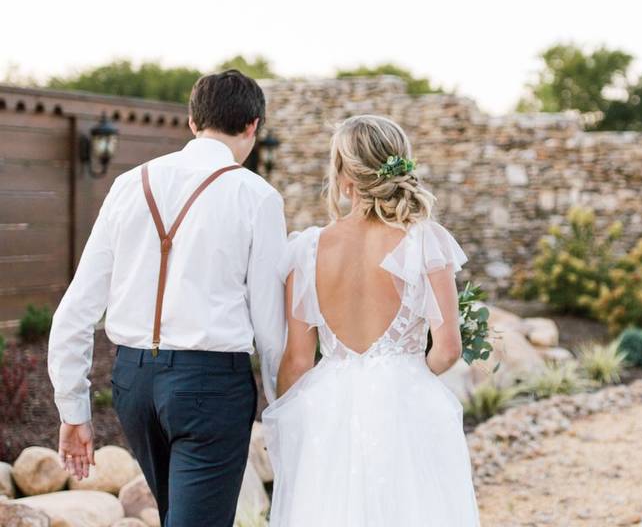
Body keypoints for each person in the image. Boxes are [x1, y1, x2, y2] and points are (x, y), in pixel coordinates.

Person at [47, 70, 287, 527]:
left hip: (134, 383)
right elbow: (270, 323)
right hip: (210, 387)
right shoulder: (257, 196)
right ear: (253, 125)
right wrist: (280, 413)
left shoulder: (128, 185)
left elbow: (77, 307)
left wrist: (73, 408)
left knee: (177, 516)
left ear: (193, 121)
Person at [263, 114, 480, 526]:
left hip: (328, 407)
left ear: (344, 175)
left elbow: (297, 361)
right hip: (407, 402)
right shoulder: (424, 240)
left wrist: (285, 421)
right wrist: (409, 372)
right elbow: (449, 348)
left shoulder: (306, 249)